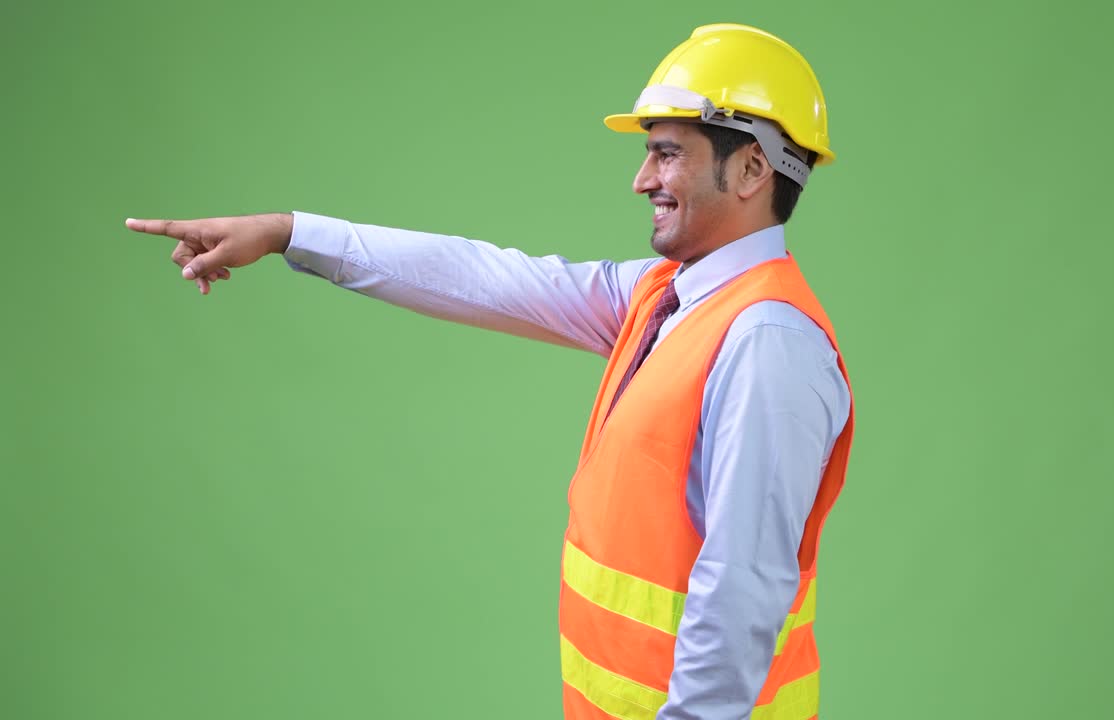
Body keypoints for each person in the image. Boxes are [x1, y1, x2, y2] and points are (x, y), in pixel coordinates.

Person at [128, 23, 854, 720]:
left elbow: (741, 593)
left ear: (754, 168)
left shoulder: (767, 342)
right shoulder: (664, 297)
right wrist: (290, 233)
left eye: (667, 154)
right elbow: (486, 279)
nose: (641, 180)